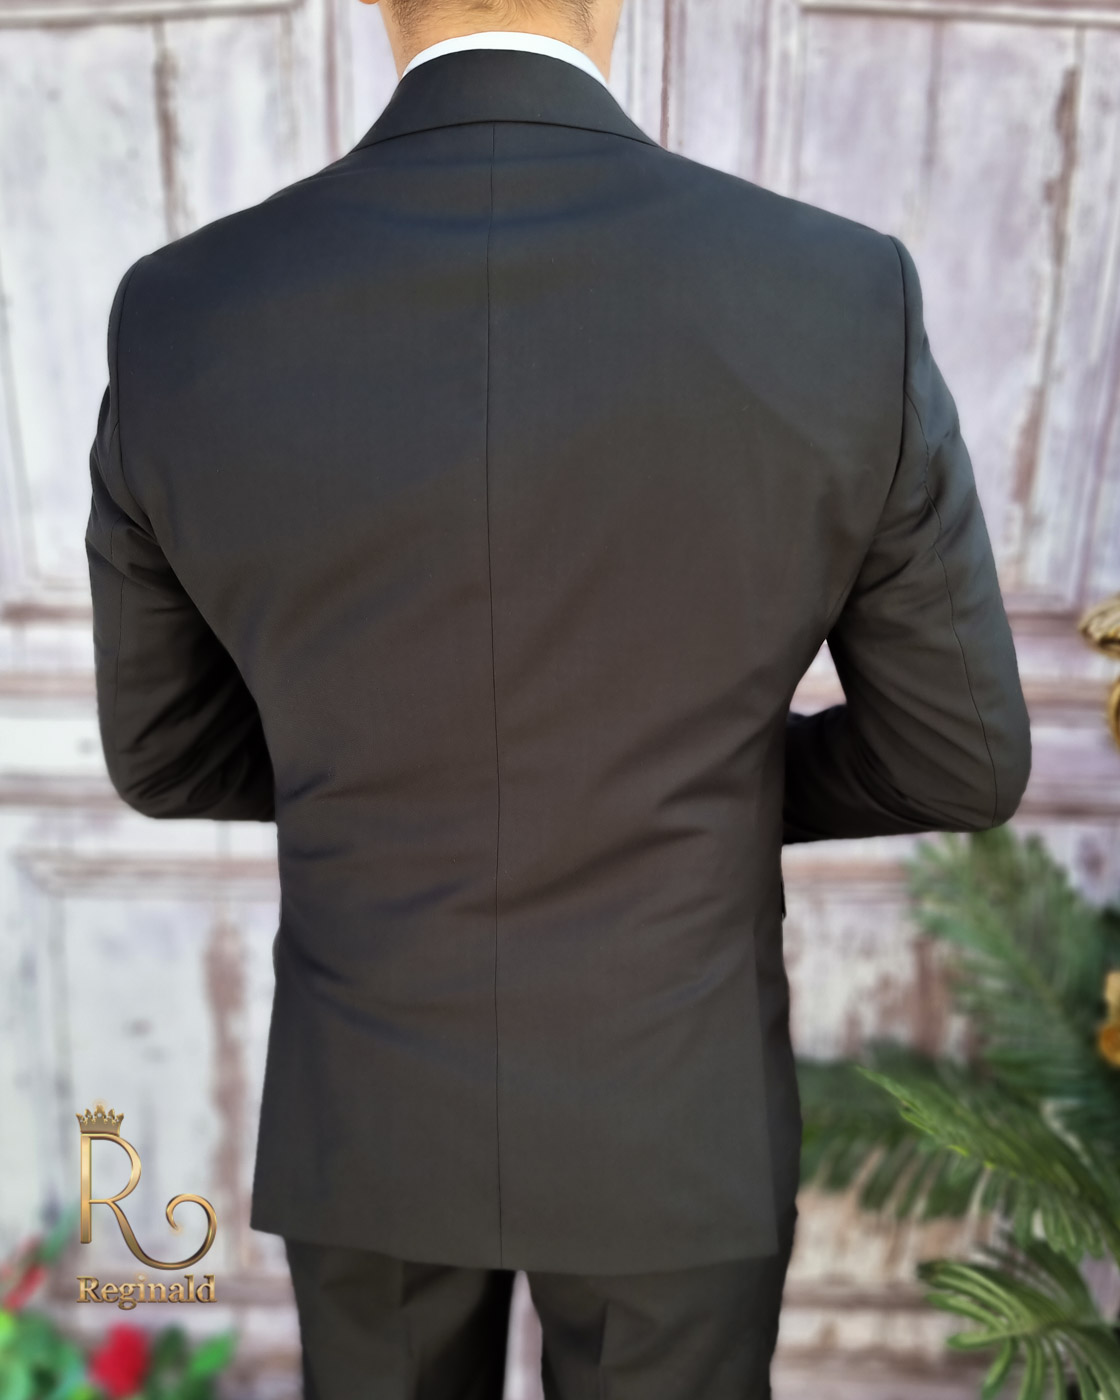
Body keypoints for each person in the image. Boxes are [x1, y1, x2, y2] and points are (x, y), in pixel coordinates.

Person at [83, 0, 1032, 1392]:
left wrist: (376, 773)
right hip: (676, 1110)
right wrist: (710, 781)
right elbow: (960, 756)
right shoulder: (839, 295)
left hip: (372, 1111)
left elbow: (164, 754)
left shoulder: (182, 312)